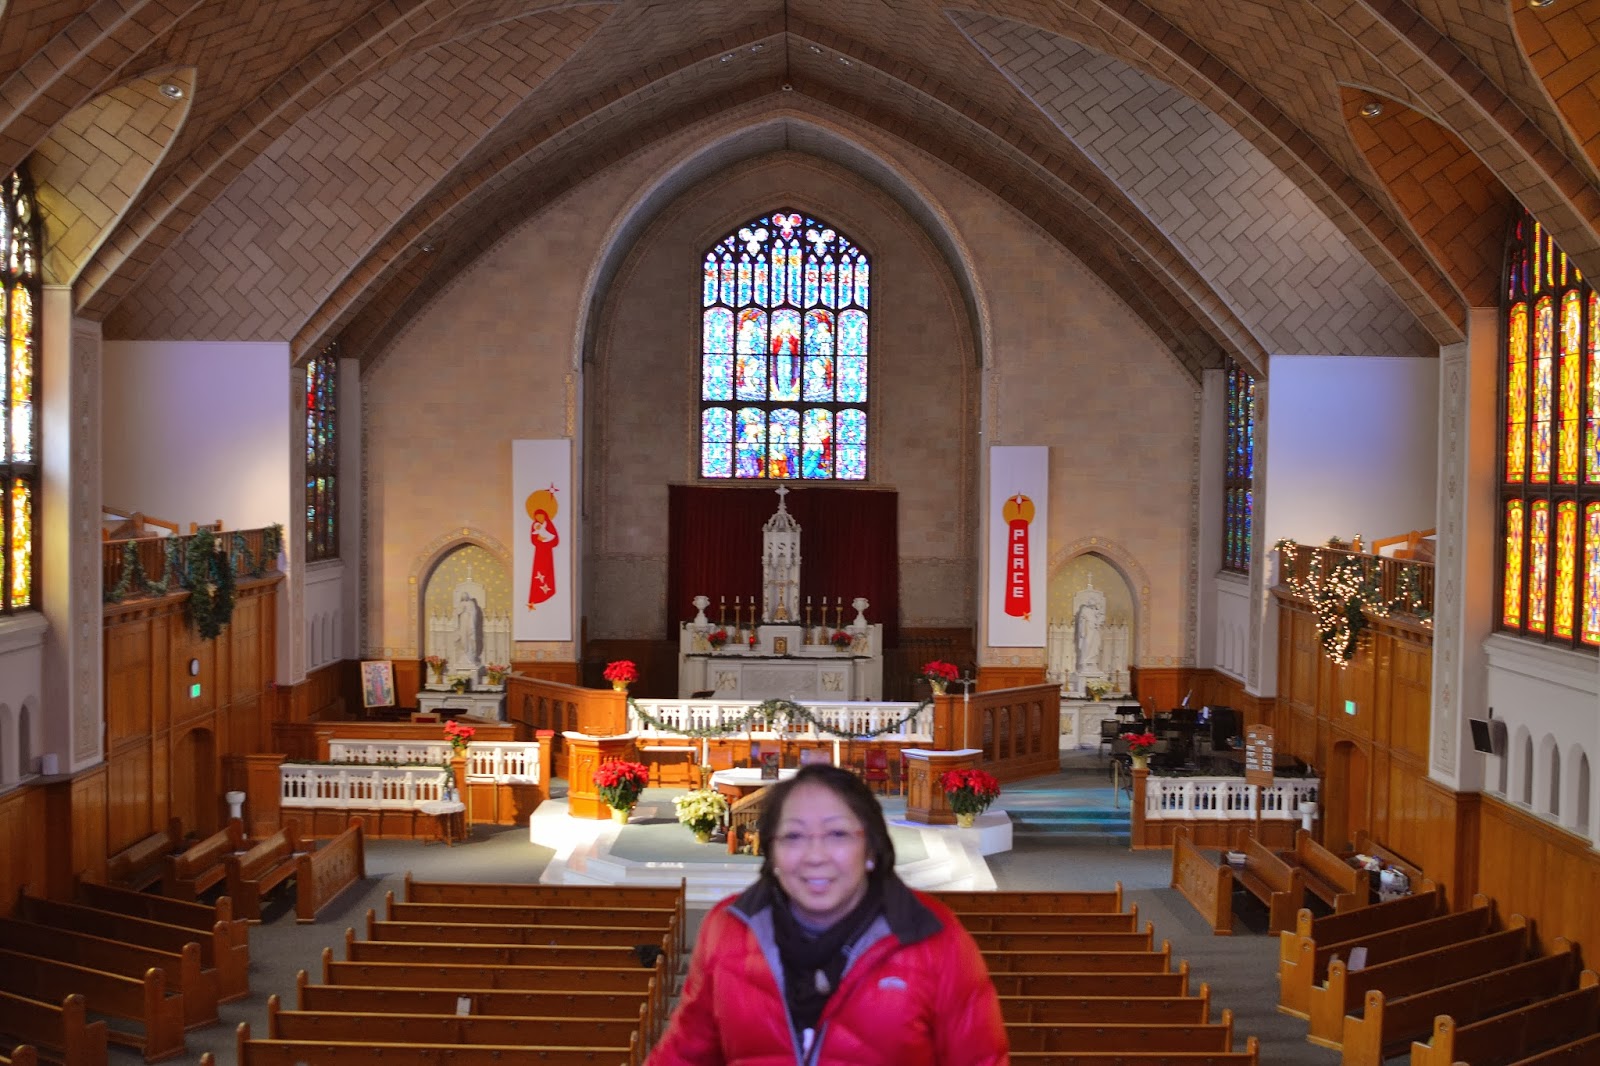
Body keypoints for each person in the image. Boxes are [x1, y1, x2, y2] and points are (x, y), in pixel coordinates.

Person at [647, 764, 1008, 1065]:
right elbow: (683, 1054)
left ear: (871, 848)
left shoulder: (935, 940)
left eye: (837, 833)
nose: (814, 855)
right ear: (770, 852)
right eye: (793, 836)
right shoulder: (727, 929)